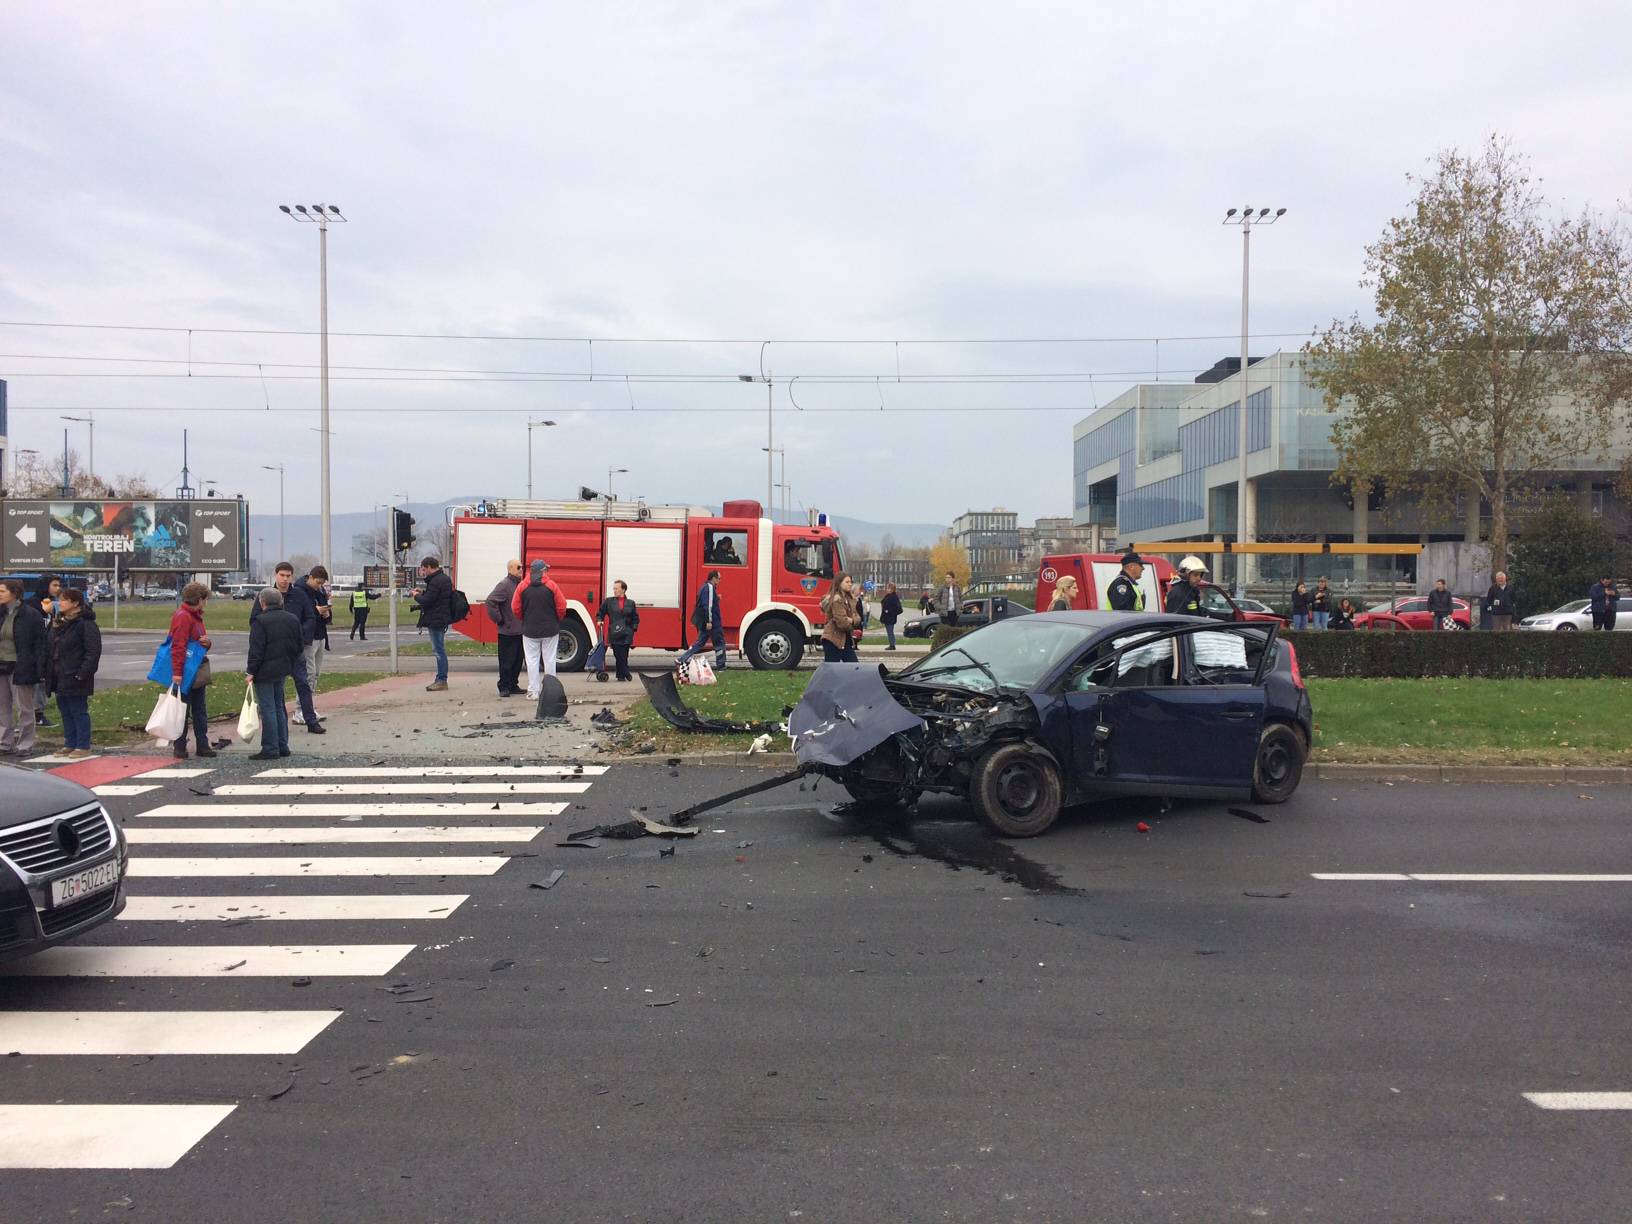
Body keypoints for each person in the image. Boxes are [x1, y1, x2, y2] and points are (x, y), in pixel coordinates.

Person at [250, 562, 323, 733]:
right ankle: (279, 727)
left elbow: (310, 616)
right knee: (277, 688)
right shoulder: (265, 596)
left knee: (303, 683)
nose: (285, 579)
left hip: (295, 649)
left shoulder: (299, 595)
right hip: (274, 651)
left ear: (292, 576)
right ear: (275, 575)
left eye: (288, 576)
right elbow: (254, 620)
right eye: (282, 575)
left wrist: (301, 637)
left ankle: (310, 720)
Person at [246, 587, 303, 761]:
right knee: (279, 706)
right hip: (283, 667)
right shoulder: (292, 619)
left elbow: (256, 650)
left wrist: (251, 671)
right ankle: (282, 744)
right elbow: (299, 646)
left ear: (262, 603)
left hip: (264, 670)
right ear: (281, 602)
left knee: (268, 708)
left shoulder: (260, 622)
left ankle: (270, 747)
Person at [48, 588, 101, 758]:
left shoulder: (85, 624)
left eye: (64, 600)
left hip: (76, 674)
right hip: (59, 674)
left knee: (78, 710)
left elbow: (92, 652)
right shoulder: (60, 623)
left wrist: (82, 673)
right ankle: (69, 743)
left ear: (75, 603)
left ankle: (83, 745)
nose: (60, 603)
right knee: (65, 710)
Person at [166, 581, 216, 760]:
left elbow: (193, 643)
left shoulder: (194, 616)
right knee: (183, 709)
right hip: (186, 670)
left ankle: (202, 744)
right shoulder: (184, 617)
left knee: (199, 709)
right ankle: (180, 745)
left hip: (194, 668)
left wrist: (207, 643)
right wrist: (177, 673)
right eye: (206, 599)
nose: (207, 603)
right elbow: (178, 646)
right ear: (200, 599)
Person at [0, 579, 47, 756]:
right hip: (1, 665)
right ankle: (5, 742)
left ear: (15, 593)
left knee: (25, 708)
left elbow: (40, 644)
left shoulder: (30, 615)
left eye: (2, 591)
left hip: (21, 667)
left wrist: (38, 668)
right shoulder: (1, 613)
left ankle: (25, 744)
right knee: (3, 707)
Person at [512, 559, 567, 699]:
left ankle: (533, 691)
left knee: (532, 661)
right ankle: (550, 692)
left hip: (530, 629)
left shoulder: (522, 586)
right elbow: (561, 606)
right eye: (546, 569)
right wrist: (557, 619)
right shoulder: (552, 586)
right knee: (549, 660)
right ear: (542, 571)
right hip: (550, 629)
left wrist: (524, 618)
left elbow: (515, 608)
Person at [412, 555, 454, 691]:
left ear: (430, 567)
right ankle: (441, 679)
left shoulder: (435, 581)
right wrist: (423, 592)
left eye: (424, 569)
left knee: (438, 650)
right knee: (440, 649)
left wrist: (416, 596)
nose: (424, 572)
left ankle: (441, 680)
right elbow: (436, 596)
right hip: (441, 618)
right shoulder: (444, 579)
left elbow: (427, 601)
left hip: (435, 619)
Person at [486, 560, 526, 696]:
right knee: (507, 661)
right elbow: (490, 601)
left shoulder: (520, 584)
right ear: (510, 569)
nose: (521, 569)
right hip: (507, 632)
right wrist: (500, 619)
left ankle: (513, 684)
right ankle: (504, 686)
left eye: (522, 567)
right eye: (518, 567)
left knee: (517, 661)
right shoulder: (504, 585)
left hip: (520, 630)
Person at [28, 574, 62, 728]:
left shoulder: (53, 605)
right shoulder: (33, 604)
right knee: (36, 683)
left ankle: (39, 713)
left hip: (48, 650)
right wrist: (43, 612)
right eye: (54, 585)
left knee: (44, 682)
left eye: (58, 585)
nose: (57, 588)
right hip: (35, 651)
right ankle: (36, 714)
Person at [677, 570, 727, 672]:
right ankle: (721, 666)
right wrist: (709, 621)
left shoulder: (705, 587)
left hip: (706, 622)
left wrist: (716, 598)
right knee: (719, 644)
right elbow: (708, 605)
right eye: (719, 578)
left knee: (699, 643)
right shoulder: (709, 587)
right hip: (713, 623)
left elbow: (707, 602)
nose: (719, 580)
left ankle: (681, 659)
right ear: (713, 578)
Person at [597, 580, 640, 681]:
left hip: (627, 632)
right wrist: (600, 620)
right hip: (615, 631)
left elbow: (635, 617)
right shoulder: (609, 601)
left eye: (616, 588)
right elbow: (600, 613)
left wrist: (634, 628)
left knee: (624, 654)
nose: (614, 590)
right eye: (614, 588)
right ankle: (626, 672)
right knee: (617, 653)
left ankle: (620, 676)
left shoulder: (631, 603)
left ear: (623, 589)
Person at [301, 567, 331, 690]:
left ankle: (310, 702)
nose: (319, 586)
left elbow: (326, 609)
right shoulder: (300, 591)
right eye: (318, 583)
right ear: (310, 578)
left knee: (316, 673)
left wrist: (327, 615)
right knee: (309, 673)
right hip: (309, 637)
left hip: (320, 634)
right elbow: (301, 613)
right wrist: (315, 611)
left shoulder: (320, 591)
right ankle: (302, 706)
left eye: (322, 584)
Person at [820, 574, 862, 663]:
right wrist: (852, 624)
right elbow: (842, 623)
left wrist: (852, 620)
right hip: (833, 639)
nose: (850, 584)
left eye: (851, 582)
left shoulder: (849, 599)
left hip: (845, 640)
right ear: (839, 583)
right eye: (847, 582)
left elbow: (858, 617)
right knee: (832, 670)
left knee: (854, 667)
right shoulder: (836, 599)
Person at [880, 582, 903, 650]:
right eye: (887, 588)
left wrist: (889, 611)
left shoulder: (894, 597)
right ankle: (892, 644)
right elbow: (883, 603)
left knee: (890, 632)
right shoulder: (888, 596)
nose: (887, 590)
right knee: (889, 631)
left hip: (890, 617)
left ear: (892, 589)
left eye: (889, 588)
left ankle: (892, 645)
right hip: (887, 617)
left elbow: (899, 609)